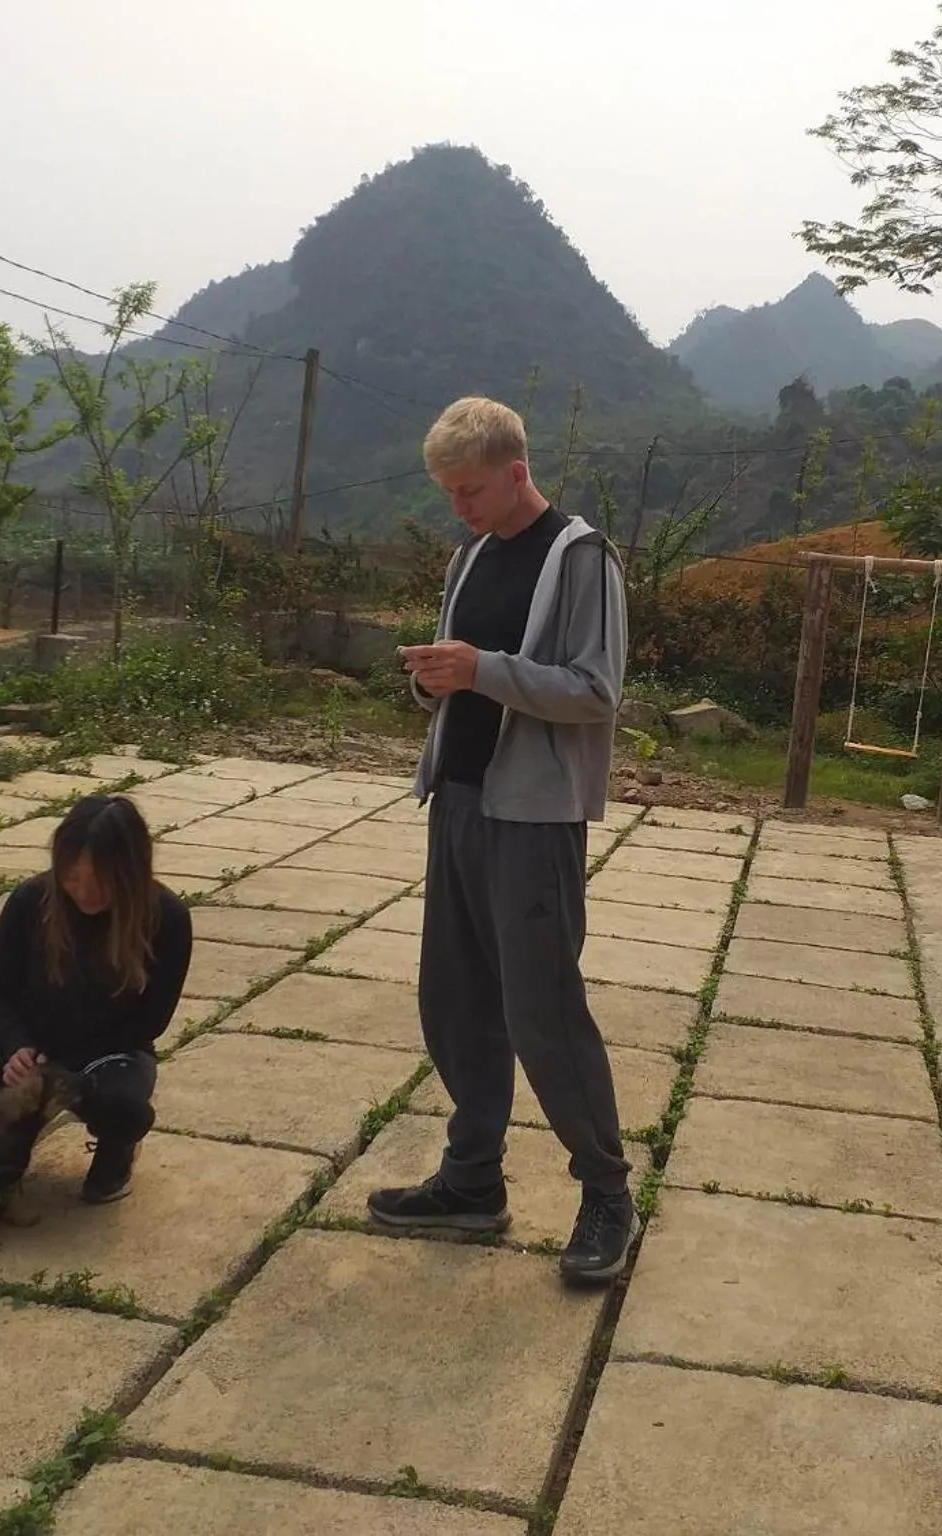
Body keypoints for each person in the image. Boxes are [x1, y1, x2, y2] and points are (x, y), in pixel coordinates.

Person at [367, 394, 634, 1284]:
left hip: (534, 817)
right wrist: (439, 682)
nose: (460, 508)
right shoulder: (471, 555)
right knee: (454, 1001)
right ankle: (472, 1181)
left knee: (542, 1014)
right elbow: (464, 679)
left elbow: (595, 692)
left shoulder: (580, 558)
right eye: (449, 492)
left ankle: (606, 1192)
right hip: (460, 801)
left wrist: (482, 670)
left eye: (471, 489)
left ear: (517, 472)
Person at [0, 794, 193, 1205]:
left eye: (101, 881)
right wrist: (15, 1045)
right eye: (72, 878)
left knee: (126, 1111)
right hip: (34, 1047)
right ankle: (12, 1140)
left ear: (130, 872)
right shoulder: (29, 902)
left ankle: (117, 1152)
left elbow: (151, 1020)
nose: (85, 893)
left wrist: (63, 1075)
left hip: (108, 1053)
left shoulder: (168, 918)